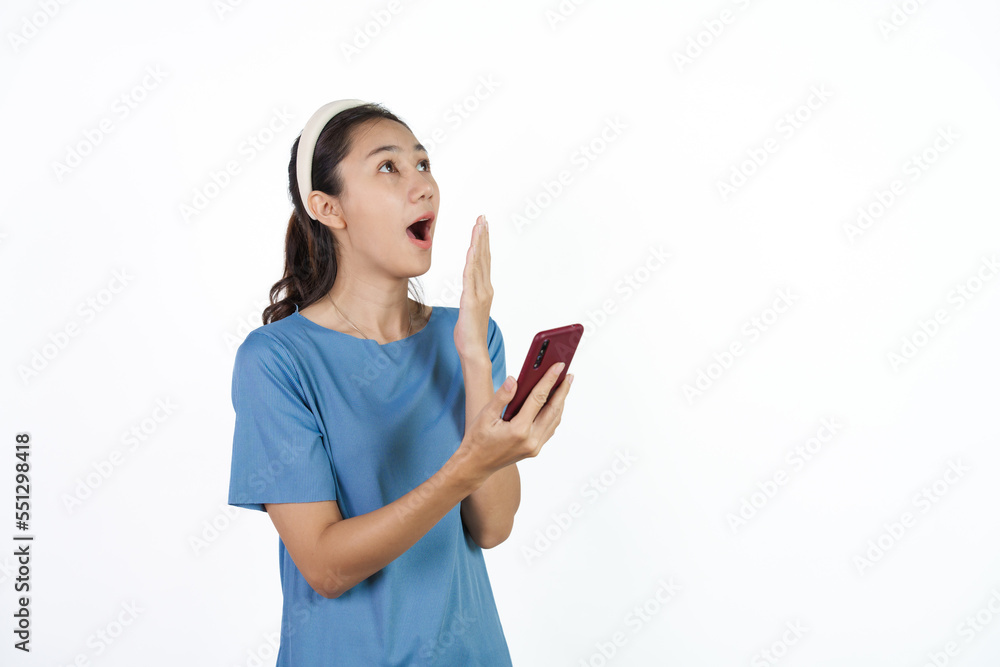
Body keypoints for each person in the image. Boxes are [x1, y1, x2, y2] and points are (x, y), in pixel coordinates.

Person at [227, 99, 575, 666]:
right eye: (388, 167)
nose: (423, 185)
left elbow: (492, 526)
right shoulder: (276, 360)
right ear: (328, 208)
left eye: (423, 164)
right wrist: (470, 463)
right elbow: (325, 567)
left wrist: (474, 358)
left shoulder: (468, 336)